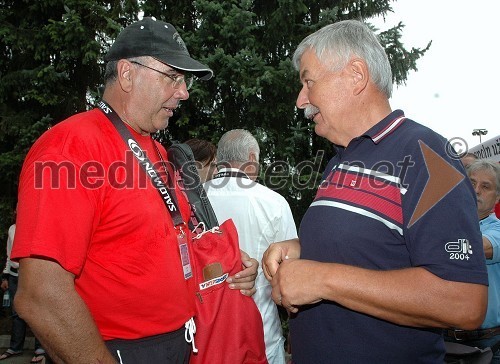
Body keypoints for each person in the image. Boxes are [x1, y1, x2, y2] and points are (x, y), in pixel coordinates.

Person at [11, 17, 258, 363]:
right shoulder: (70, 148)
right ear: (126, 73)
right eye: (173, 77)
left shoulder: (156, 151)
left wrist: (230, 269)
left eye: (184, 81)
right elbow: (40, 295)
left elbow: (169, 246)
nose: (184, 92)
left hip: (180, 341)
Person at [262, 19, 488, 363]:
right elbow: (374, 245)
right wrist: (301, 248)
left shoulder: (428, 155)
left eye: (309, 82)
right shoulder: (340, 159)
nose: (300, 100)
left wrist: (324, 279)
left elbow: (464, 301)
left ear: (356, 75)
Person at [204, 129, 297, 364]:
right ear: (252, 160)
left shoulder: (190, 200)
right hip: (262, 337)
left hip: (204, 339)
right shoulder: (275, 203)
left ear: (219, 160)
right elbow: (291, 277)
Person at [445, 159, 500, 362]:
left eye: (486, 187)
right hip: (444, 338)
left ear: (497, 198)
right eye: (472, 183)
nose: (476, 190)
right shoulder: (447, 224)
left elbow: (476, 248)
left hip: (489, 344)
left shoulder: (497, 230)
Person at [0, 212, 46, 363]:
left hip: (32, 275)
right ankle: (15, 347)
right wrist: (5, 275)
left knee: (36, 312)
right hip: (14, 276)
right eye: (17, 208)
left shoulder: (37, 227)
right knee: (16, 313)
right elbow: (9, 254)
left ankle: (40, 348)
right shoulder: (12, 229)